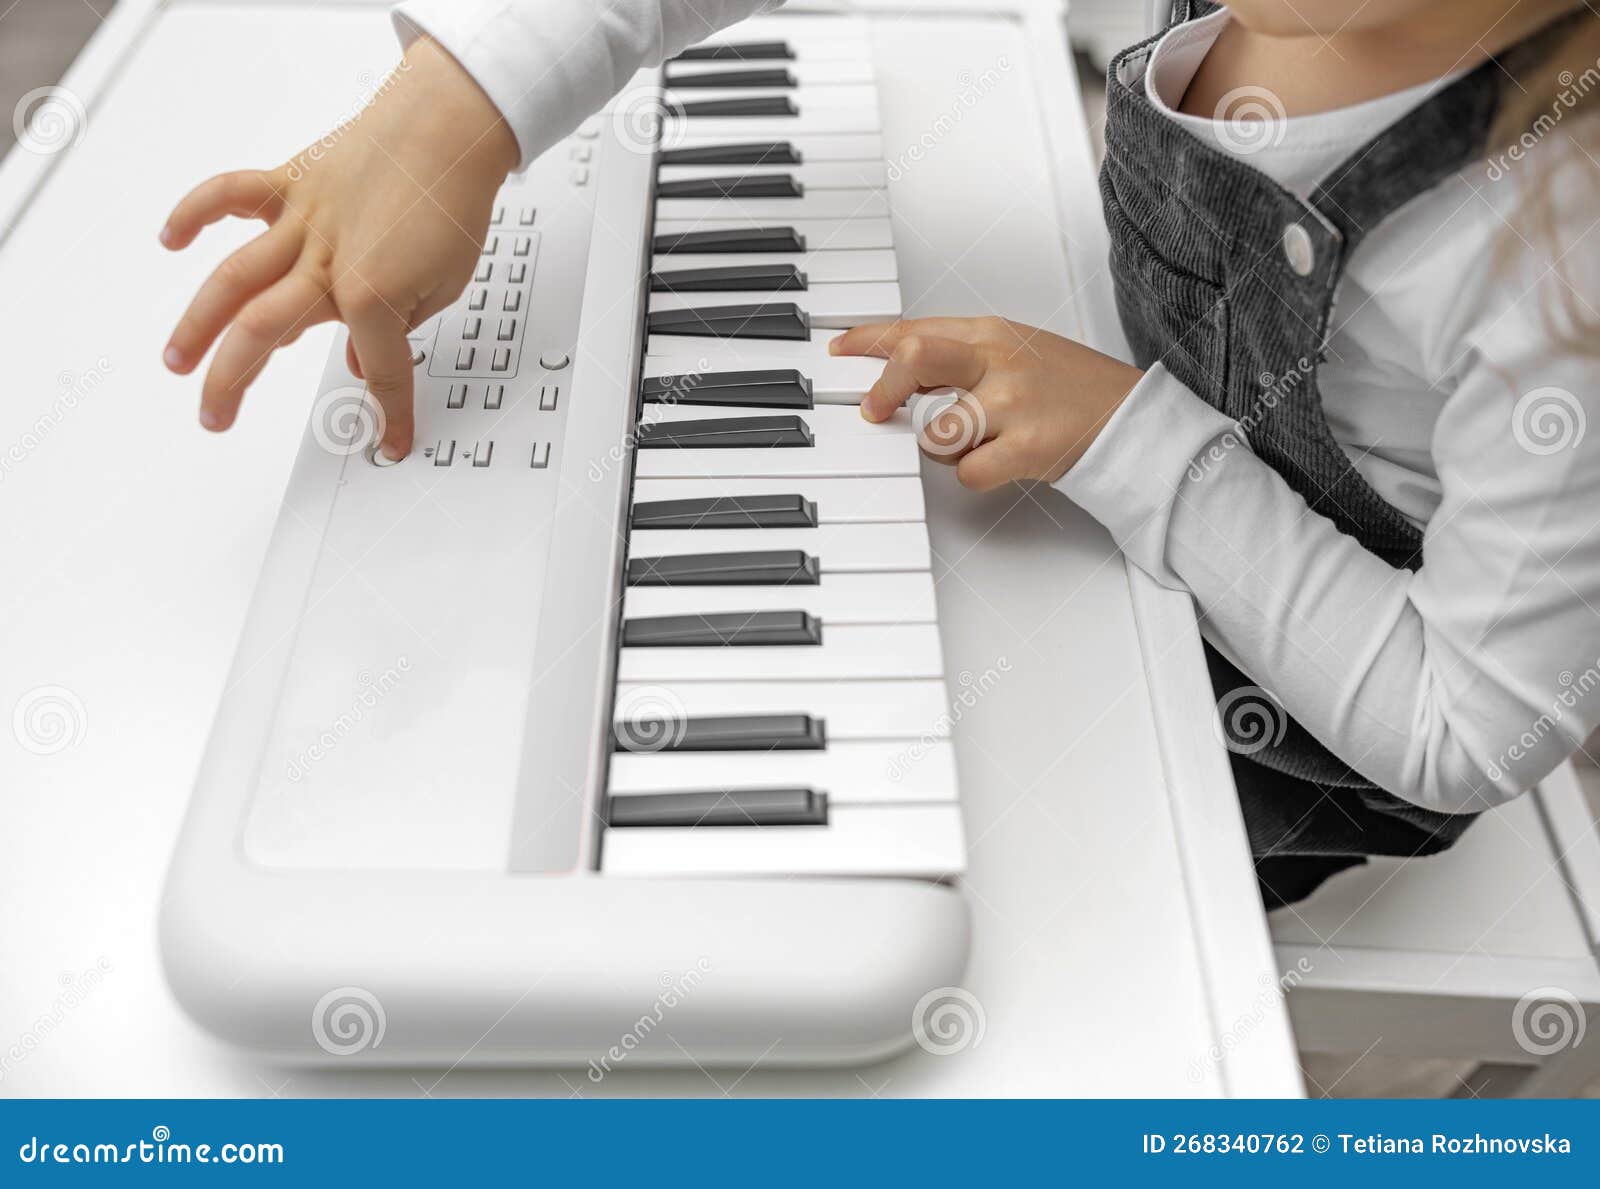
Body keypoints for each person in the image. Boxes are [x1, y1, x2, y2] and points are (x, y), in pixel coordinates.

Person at [161, 0, 1600, 908]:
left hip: (1303, 714)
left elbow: (1472, 726)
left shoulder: (1559, 264)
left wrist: (1134, 442)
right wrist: (458, 113)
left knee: (887, 913)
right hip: (1116, 464)